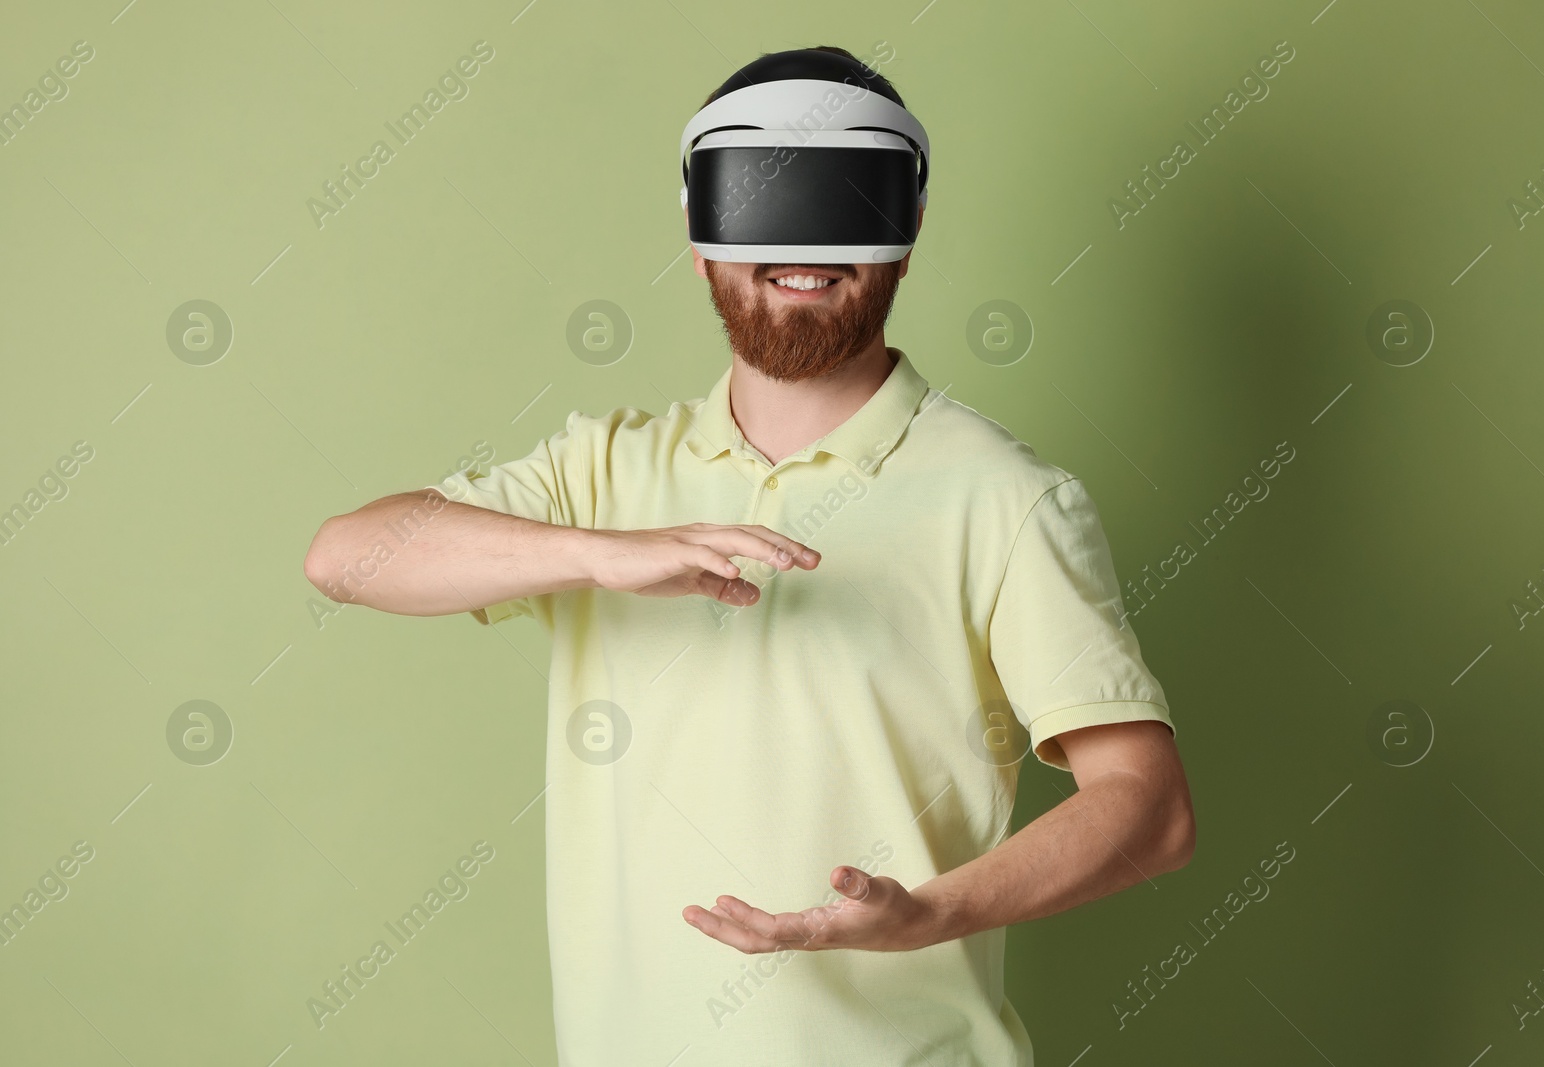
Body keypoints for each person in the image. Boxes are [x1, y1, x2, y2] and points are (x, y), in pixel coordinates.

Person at [303, 44, 1195, 1067]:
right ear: (698, 239)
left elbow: (1147, 803)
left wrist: (923, 911)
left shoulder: (1007, 498)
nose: (801, 246)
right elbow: (346, 556)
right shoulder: (600, 471)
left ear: (903, 234)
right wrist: (600, 553)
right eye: (762, 197)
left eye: (846, 197)